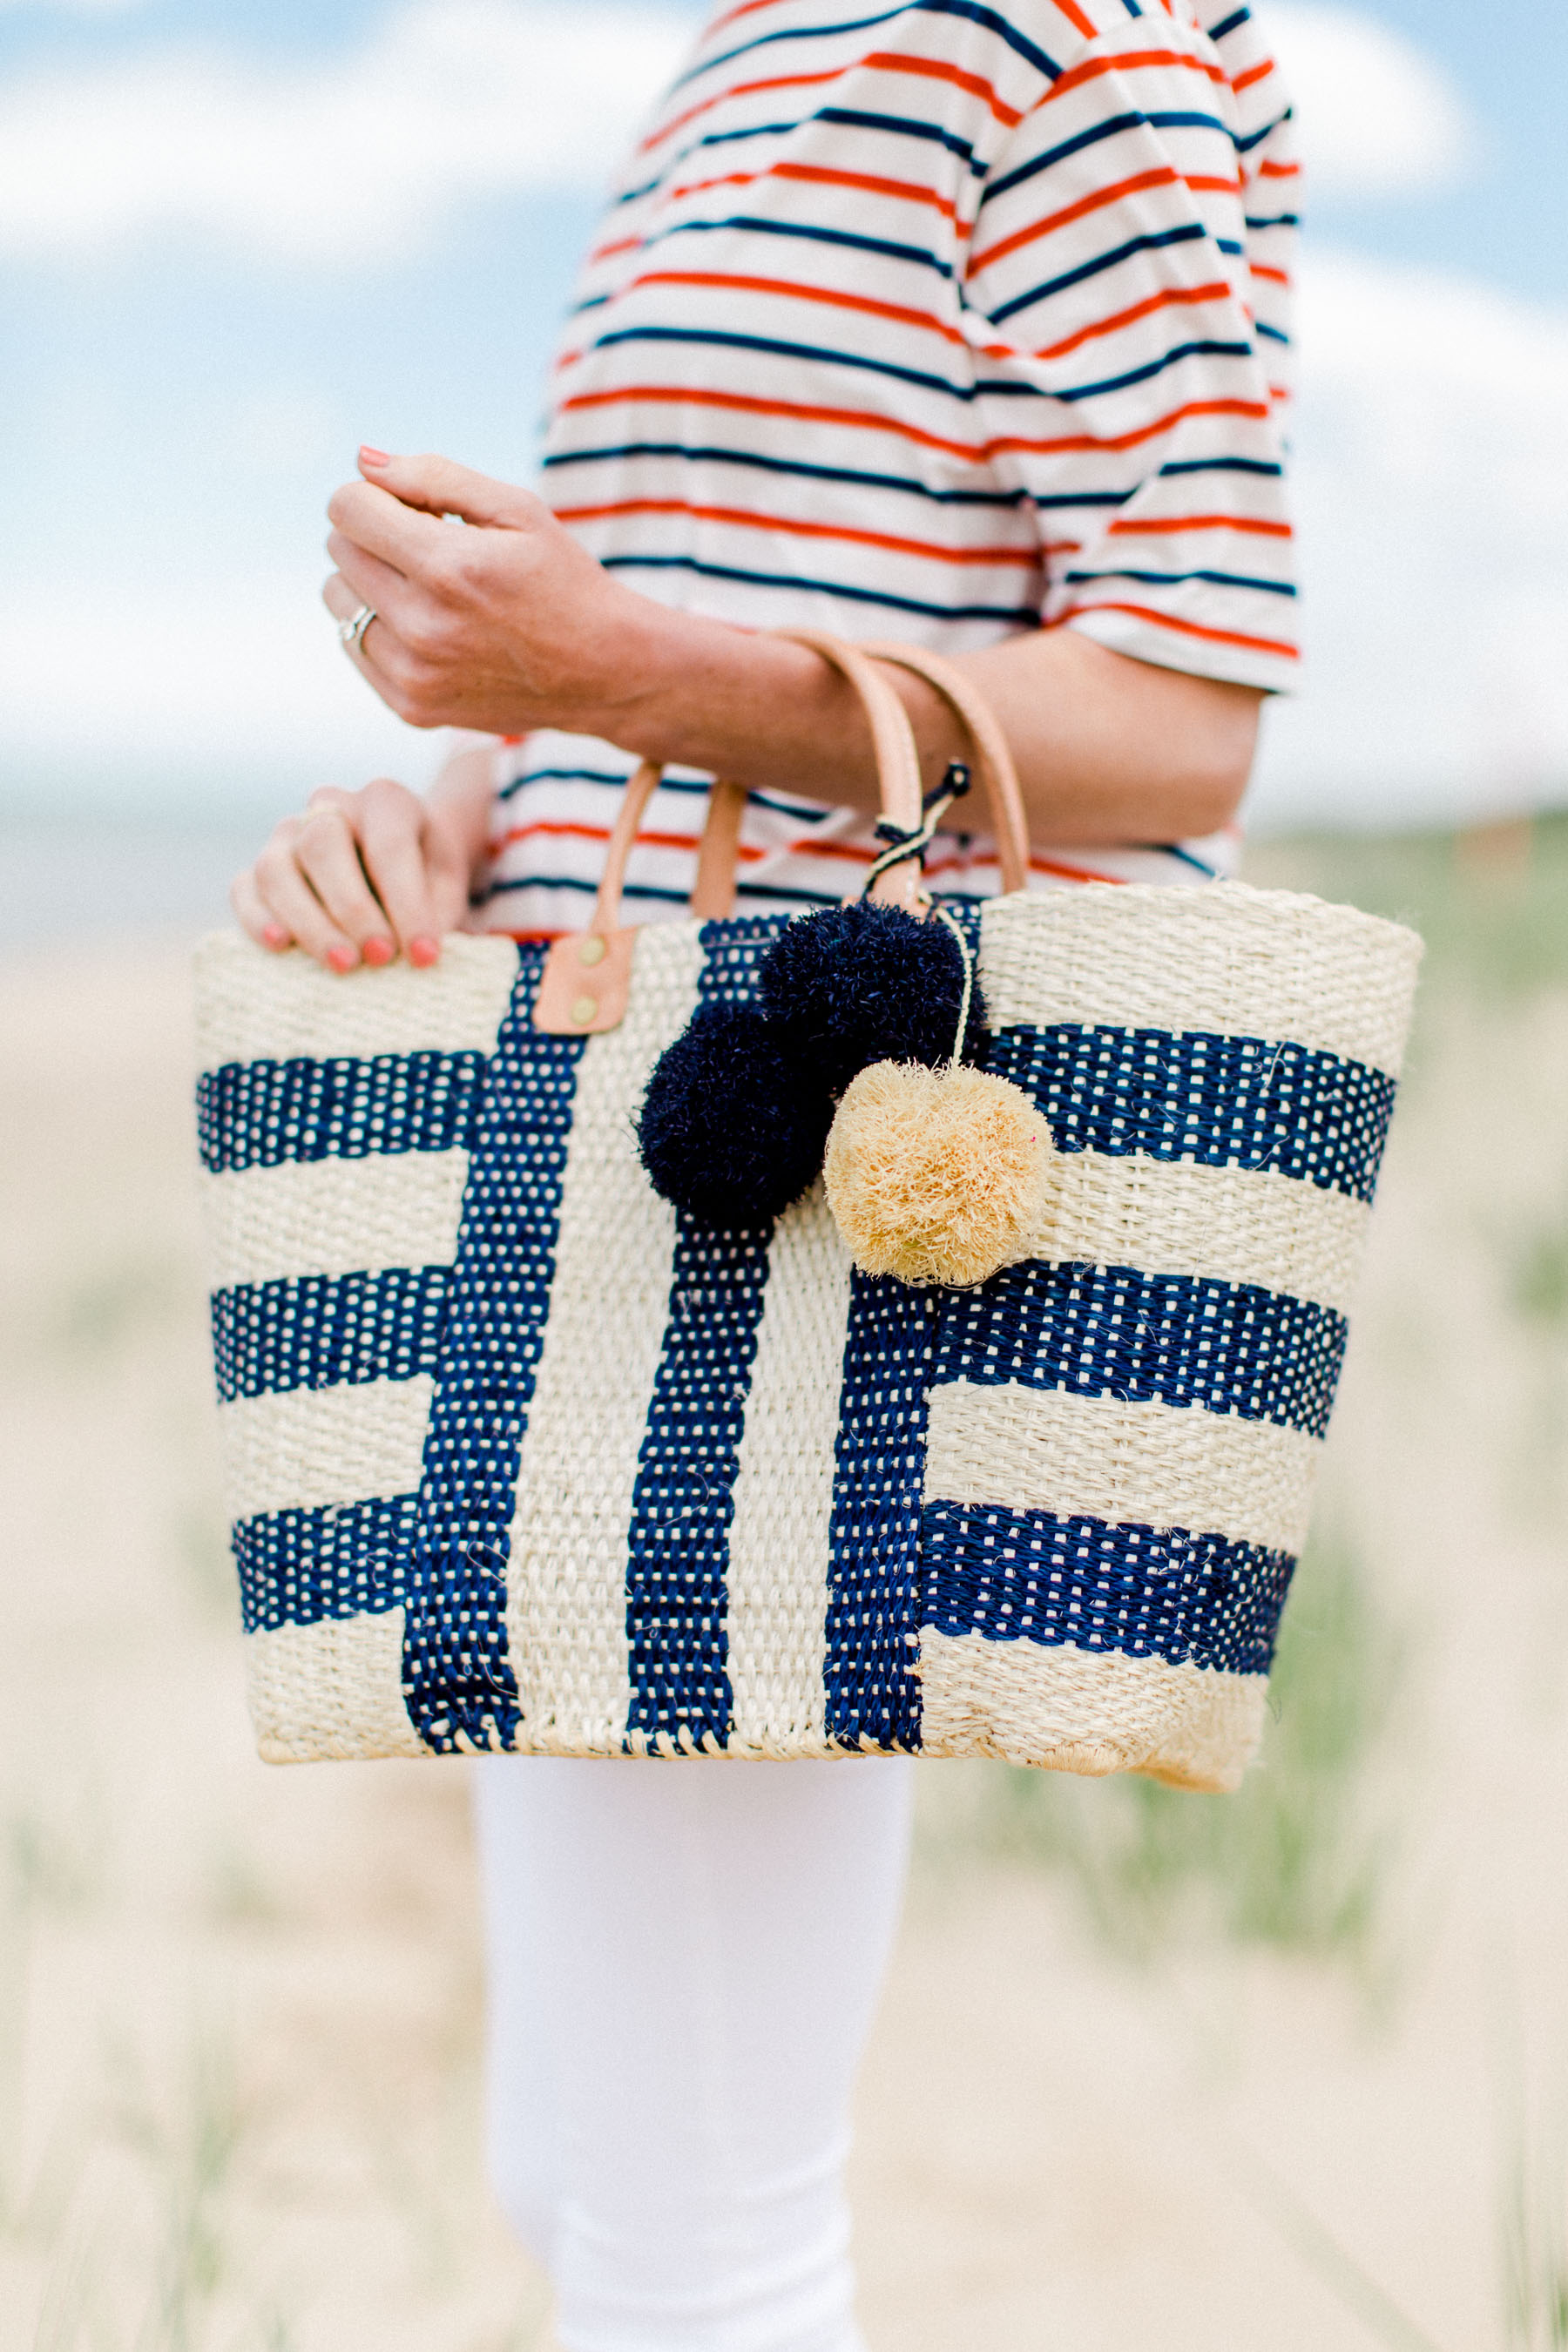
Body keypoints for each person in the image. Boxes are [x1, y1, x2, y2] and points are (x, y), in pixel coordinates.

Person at [233, 1, 1297, 2343]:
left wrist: (616, 668)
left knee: (688, 2221)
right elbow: (648, 672)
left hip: (795, 1178)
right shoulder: (734, 53)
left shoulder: (1042, 41)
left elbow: (1191, 701)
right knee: (589, 2164)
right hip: (590, 1156)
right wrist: (452, 804)